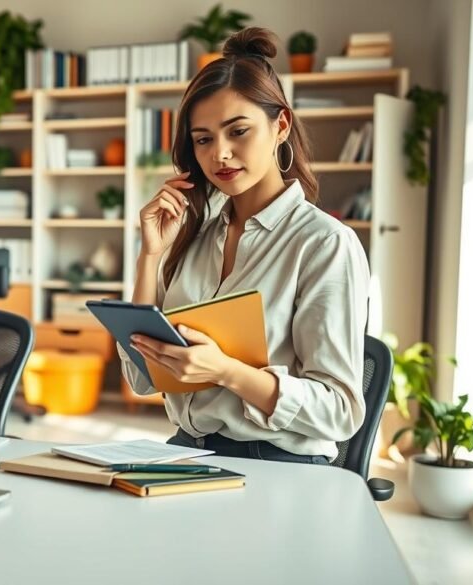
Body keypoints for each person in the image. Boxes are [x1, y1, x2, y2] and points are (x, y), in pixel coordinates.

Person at [121, 27, 370, 465]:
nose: (220, 154)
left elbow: (341, 410)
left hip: (278, 463)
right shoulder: (196, 236)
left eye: (238, 131)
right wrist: (151, 256)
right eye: (203, 139)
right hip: (188, 452)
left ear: (280, 126)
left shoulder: (324, 244)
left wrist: (227, 372)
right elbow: (143, 379)